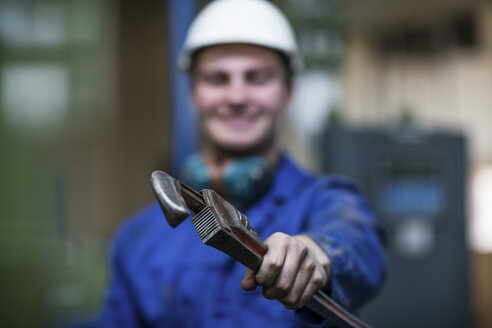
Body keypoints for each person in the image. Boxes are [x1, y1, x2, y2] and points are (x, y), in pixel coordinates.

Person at [101, 0, 386, 327]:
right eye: (218, 79)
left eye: (257, 78)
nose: (236, 97)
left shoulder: (328, 201)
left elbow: (358, 243)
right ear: (193, 94)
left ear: (287, 92)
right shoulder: (138, 239)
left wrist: (314, 255)